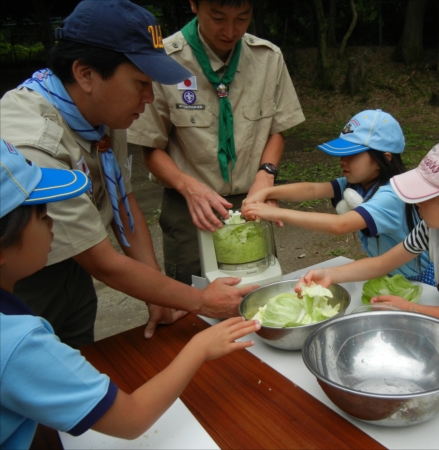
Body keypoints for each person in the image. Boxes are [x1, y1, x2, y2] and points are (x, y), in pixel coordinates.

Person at [0, 0, 257, 348]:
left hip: (70, 265)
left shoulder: (100, 113)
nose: (149, 98)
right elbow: (103, 262)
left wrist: (158, 294)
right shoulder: (36, 144)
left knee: (80, 354)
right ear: (86, 74)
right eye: (140, 83)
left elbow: (122, 200)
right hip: (20, 278)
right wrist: (199, 300)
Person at [0, 140, 261, 449]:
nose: (51, 221)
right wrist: (199, 347)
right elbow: (131, 419)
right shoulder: (18, 343)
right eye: (40, 213)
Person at [127, 0, 305, 286]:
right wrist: (189, 188)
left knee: (256, 297)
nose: (230, 30)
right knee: (194, 302)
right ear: (195, 5)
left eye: (242, 18)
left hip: (251, 203)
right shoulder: (163, 60)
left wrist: (266, 174)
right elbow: (151, 148)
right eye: (218, 17)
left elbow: (277, 130)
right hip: (190, 207)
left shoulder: (267, 58)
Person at [296, 136, 439, 328]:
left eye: (425, 196)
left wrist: (408, 308)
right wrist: (329, 274)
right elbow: (382, 264)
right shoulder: (433, 229)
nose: (415, 202)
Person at [242, 109, 434, 284]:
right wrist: (267, 191)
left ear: (383, 159)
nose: (342, 160)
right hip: (389, 274)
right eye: (342, 153)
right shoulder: (357, 184)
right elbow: (312, 190)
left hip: (418, 279)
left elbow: (340, 225)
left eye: (352, 154)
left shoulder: (391, 196)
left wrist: (277, 213)